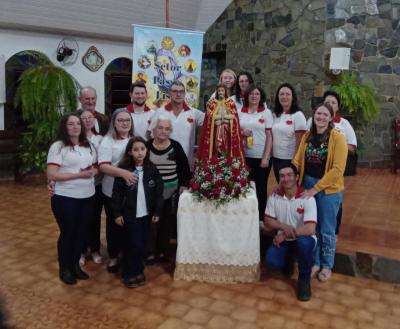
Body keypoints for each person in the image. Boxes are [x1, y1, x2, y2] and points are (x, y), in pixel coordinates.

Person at [292, 103, 348, 282]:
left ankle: (327, 265)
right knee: (312, 227)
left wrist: (315, 190)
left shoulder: (338, 138)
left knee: (327, 229)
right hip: (308, 182)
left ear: (331, 118)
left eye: (325, 115)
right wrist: (291, 174)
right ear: (314, 115)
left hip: (328, 189)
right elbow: (298, 159)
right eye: (318, 114)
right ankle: (315, 261)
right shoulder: (308, 136)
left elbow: (337, 170)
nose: (321, 117)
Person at [47, 113, 97, 285]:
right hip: (66, 197)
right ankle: (65, 268)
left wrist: (91, 172)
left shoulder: (87, 145)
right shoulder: (59, 147)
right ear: (64, 127)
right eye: (71, 124)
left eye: (78, 123)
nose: (75, 126)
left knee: (81, 233)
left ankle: (75, 265)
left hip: (88, 196)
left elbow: (95, 167)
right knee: (68, 233)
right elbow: (52, 174)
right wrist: (80, 174)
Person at [111, 137, 163, 288]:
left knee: (142, 245)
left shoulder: (152, 169)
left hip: (146, 215)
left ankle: (139, 271)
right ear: (130, 152)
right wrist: (117, 213)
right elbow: (117, 194)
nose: (140, 153)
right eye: (136, 150)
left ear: (146, 151)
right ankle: (129, 273)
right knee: (132, 244)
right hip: (130, 214)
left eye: (142, 149)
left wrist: (157, 211)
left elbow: (159, 193)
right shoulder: (124, 171)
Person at [264, 163, 317, 301]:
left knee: (304, 243)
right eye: (282, 176)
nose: (285, 179)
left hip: (303, 238)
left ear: (297, 177)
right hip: (285, 242)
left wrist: (284, 233)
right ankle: (288, 258)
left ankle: (304, 280)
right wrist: (282, 226)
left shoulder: (307, 198)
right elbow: (268, 221)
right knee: (271, 262)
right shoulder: (274, 197)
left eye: (289, 175)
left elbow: (310, 228)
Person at [307, 91, 358, 234]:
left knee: (333, 205)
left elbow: (352, 146)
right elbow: (306, 141)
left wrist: (333, 147)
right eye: (327, 102)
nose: (330, 105)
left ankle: (333, 232)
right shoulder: (313, 121)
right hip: (313, 169)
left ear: (337, 107)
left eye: (333, 102)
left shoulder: (344, 124)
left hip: (334, 169)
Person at [146, 116, 191, 263]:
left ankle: (164, 251)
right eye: (160, 128)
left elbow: (184, 168)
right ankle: (150, 252)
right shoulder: (146, 146)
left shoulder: (175, 146)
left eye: (167, 129)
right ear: (153, 129)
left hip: (171, 192)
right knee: (151, 223)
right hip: (151, 193)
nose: (163, 131)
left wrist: (184, 184)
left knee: (167, 222)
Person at [98, 108, 135, 273]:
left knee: (129, 223)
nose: (125, 123)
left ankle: (127, 254)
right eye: (120, 120)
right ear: (114, 123)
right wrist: (123, 173)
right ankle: (113, 256)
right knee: (114, 224)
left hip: (131, 190)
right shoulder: (107, 141)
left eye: (127, 120)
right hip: (111, 190)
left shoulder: (134, 140)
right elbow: (103, 166)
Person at [239, 85, 273, 222]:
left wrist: (266, 157)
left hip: (261, 158)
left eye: (257, 94)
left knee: (260, 188)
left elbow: (269, 136)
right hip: (244, 157)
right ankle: (244, 216)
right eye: (251, 94)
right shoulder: (240, 112)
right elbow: (234, 133)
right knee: (244, 187)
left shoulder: (266, 113)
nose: (254, 96)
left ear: (261, 97)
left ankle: (259, 219)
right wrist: (242, 133)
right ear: (247, 96)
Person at [151, 80, 204, 165]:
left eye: (181, 91)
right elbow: (151, 136)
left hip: (186, 163)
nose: (178, 94)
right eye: (175, 91)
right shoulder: (159, 112)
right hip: (162, 162)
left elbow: (211, 123)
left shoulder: (195, 113)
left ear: (184, 93)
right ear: (169, 93)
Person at [76, 109, 104, 265]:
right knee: (80, 218)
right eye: (83, 118)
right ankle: (80, 250)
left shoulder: (100, 138)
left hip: (97, 184)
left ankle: (94, 249)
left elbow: (104, 160)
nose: (87, 120)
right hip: (79, 185)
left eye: (90, 117)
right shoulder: (74, 139)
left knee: (94, 218)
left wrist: (96, 170)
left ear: (94, 119)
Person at [198, 84, 244, 162]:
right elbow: (209, 117)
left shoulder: (230, 103)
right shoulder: (212, 103)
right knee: (216, 145)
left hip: (226, 130)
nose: (220, 92)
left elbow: (234, 117)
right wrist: (219, 118)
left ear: (225, 92)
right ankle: (216, 158)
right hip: (215, 130)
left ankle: (225, 159)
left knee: (225, 145)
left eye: (222, 90)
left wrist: (224, 119)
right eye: (219, 91)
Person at [271, 83, 307, 182]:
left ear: (293, 97)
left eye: (287, 94)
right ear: (278, 97)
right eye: (281, 94)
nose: (284, 97)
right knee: (281, 186)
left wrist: (295, 161)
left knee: (291, 188)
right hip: (276, 158)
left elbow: (301, 141)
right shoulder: (275, 115)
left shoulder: (298, 115)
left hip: (290, 159)